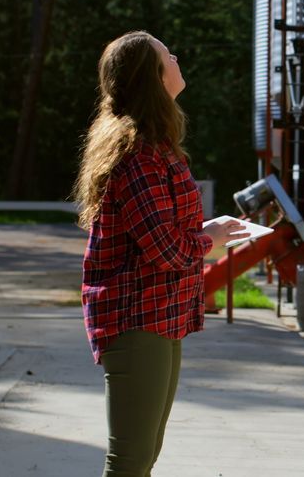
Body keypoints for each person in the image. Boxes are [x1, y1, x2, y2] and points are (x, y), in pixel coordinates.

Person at [73, 30, 244, 476]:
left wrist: (209, 230)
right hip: (136, 317)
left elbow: (162, 235)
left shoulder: (154, 145)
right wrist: (210, 241)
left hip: (160, 313)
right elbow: (166, 249)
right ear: (154, 75)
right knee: (129, 460)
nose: (176, 56)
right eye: (167, 54)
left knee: (144, 456)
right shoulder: (139, 154)